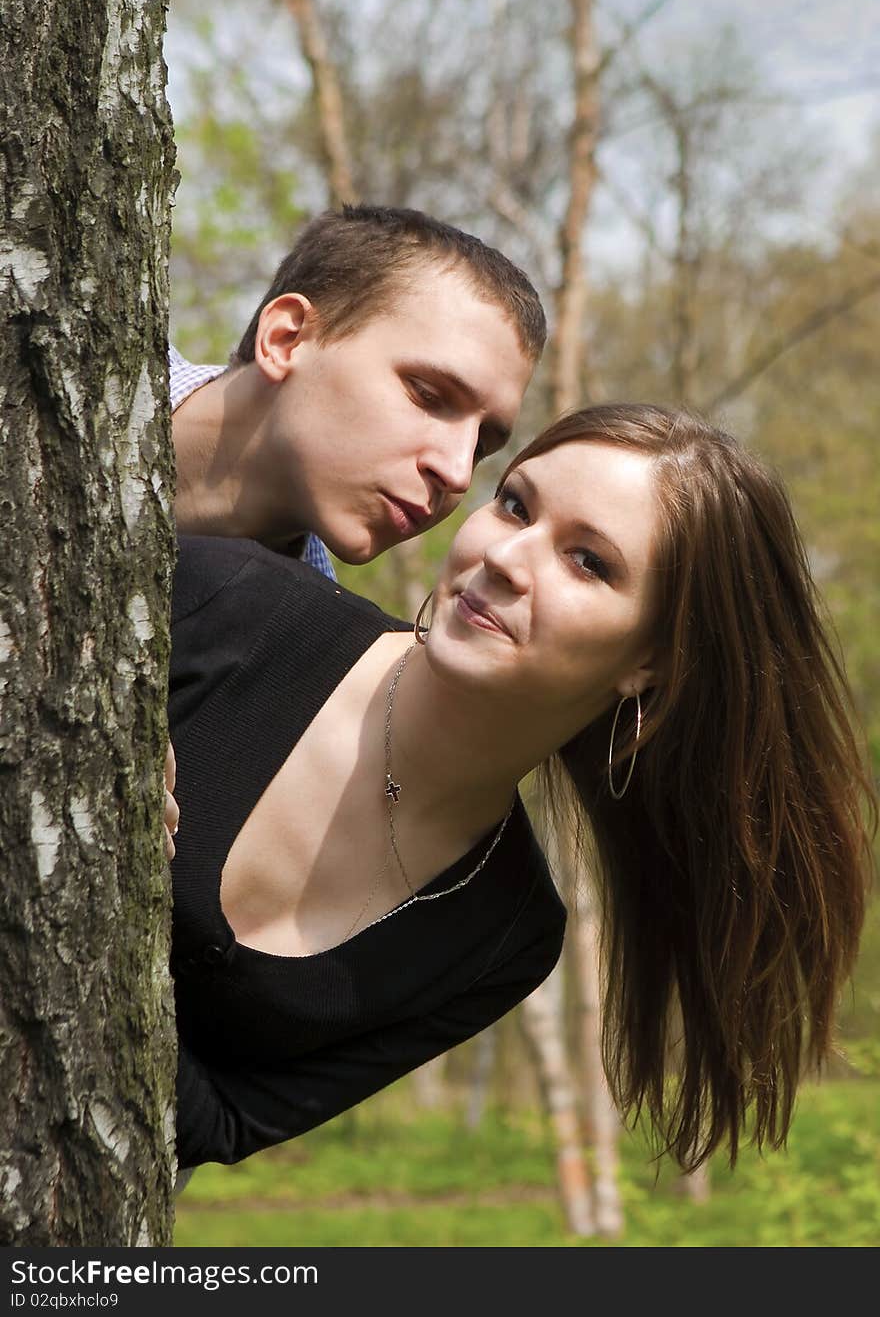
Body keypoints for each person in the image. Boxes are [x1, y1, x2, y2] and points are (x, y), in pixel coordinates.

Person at [167, 403, 874, 1174]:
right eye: (513, 505)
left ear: (653, 663)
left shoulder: (502, 938)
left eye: (588, 561)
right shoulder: (221, 601)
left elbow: (221, 1124)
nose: (506, 558)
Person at [169, 204, 546, 571]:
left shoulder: (307, 631)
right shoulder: (109, 359)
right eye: (427, 395)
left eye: (481, 447)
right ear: (286, 338)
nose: (457, 474)